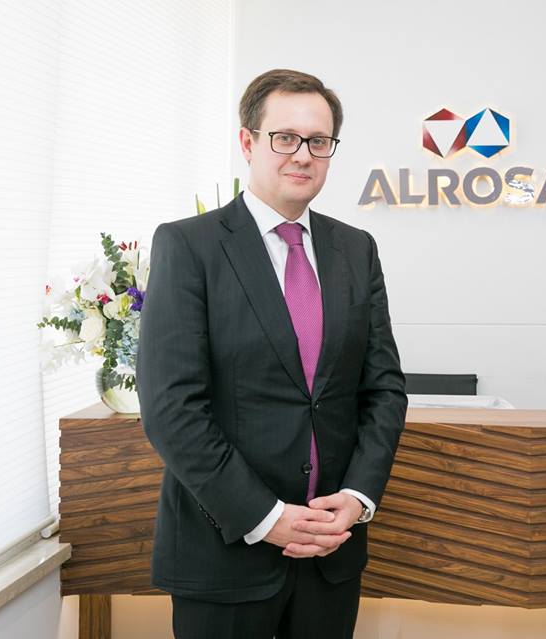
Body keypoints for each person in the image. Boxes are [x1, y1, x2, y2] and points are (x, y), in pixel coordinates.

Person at [137, 69, 407, 639]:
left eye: (319, 141)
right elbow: (170, 408)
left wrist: (357, 497)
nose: (303, 155)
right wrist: (266, 517)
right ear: (248, 142)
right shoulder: (189, 246)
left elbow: (383, 389)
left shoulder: (356, 249)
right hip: (224, 554)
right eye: (285, 137)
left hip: (331, 553)